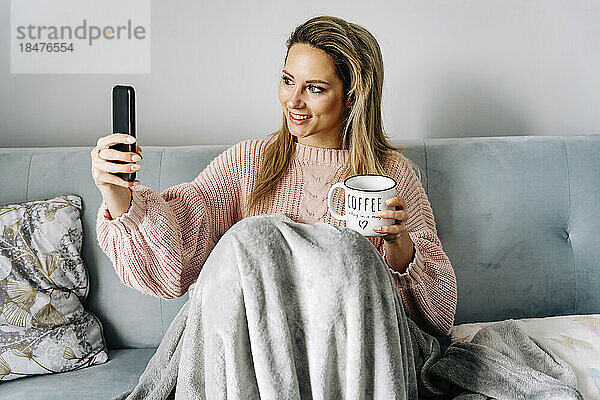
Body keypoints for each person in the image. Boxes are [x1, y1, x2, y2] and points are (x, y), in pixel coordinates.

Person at [91, 15, 457, 338]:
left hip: (346, 347)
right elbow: (176, 262)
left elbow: (437, 318)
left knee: (348, 253)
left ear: (351, 97)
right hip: (256, 346)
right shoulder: (249, 161)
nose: (293, 101)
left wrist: (399, 246)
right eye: (287, 80)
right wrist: (117, 194)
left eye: (314, 88)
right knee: (250, 236)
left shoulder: (390, 175)